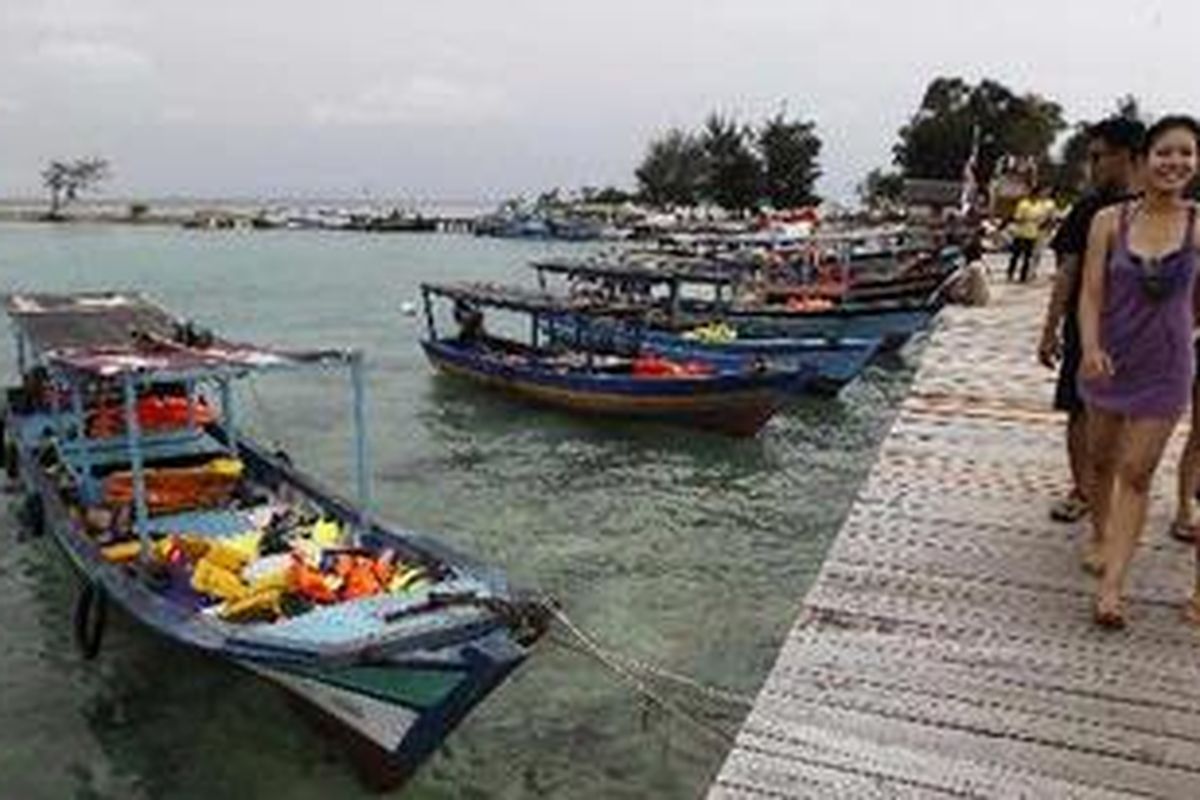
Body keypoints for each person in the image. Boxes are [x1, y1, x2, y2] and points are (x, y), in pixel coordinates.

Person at [1077, 115, 1200, 628]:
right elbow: (1090, 291)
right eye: (1165, 153)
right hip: (1109, 359)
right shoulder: (1110, 221)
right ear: (1145, 160)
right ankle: (1101, 533)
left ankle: (1112, 589)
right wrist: (1089, 345)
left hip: (1167, 367)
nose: (1176, 163)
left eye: (1187, 154)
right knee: (1102, 458)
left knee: (1137, 471)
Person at [1038, 118, 1144, 529]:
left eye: (1099, 157)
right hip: (1088, 327)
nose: (1093, 166)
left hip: (1140, 330)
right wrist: (1050, 330)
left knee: (1131, 411)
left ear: (1127, 156)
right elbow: (1068, 271)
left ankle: (1116, 486)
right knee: (1079, 408)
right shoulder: (1089, 209)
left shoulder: (1160, 207)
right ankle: (1083, 488)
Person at [1007, 184, 1057, 283]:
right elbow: (1017, 218)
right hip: (1021, 233)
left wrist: (1044, 223)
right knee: (1016, 254)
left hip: (1033, 233)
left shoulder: (1039, 205)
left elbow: (1046, 217)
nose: (1037, 197)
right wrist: (1026, 219)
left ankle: (1023, 275)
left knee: (1028, 256)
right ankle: (1010, 272)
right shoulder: (1023, 204)